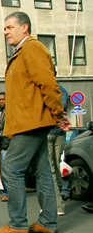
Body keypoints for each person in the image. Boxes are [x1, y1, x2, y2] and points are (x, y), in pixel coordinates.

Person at [0, 11, 66, 233]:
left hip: (30, 123)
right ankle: (48, 221)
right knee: (43, 172)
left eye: (10, 27)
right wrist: (56, 114)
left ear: (24, 27)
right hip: (31, 121)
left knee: (11, 168)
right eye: (4, 29)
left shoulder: (31, 48)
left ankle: (18, 223)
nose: (6, 32)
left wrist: (59, 113)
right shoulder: (24, 51)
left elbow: (49, 84)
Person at [47, 84, 69, 215]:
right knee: (56, 167)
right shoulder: (64, 91)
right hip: (60, 133)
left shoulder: (46, 89)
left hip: (48, 131)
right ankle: (58, 199)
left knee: (50, 169)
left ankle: (57, 204)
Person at [0, 92, 10, 202]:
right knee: (2, 169)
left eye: (3, 99)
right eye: (0, 99)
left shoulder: (9, 112)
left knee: (6, 170)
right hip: (2, 143)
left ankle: (8, 193)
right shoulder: (1, 112)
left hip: (7, 144)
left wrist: (5, 144)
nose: (2, 101)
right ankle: (6, 192)